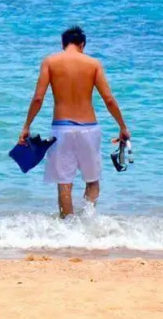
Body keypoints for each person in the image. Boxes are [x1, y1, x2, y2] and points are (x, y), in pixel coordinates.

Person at [18, 26, 131, 217]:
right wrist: (122, 127)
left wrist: (26, 126)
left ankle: (68, 229)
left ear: (63, 44)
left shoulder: (50, 62)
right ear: (82, 45)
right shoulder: (93, 63)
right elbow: (109, 99)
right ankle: (87, 222)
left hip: (61, 129)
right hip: (89, 129)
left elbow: (38, 98)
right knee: (93, 181)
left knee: (64, 183)